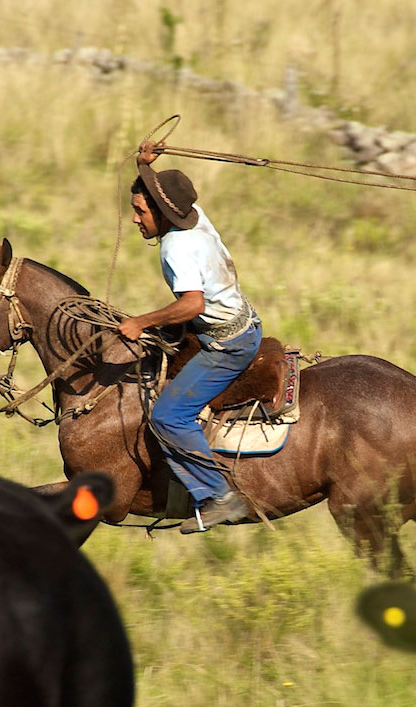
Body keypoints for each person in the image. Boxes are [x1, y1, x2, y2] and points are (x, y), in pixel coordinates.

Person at [117, 141, 261, 534]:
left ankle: (218, 497)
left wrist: (141, 322)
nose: (135, 219)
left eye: (140, 210)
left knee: (167, 415)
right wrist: (144, 166)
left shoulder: (175, 248)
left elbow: (192, 304)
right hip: (245, 320)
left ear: (161, 213)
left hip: (228, 345)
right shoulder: (193, 217)